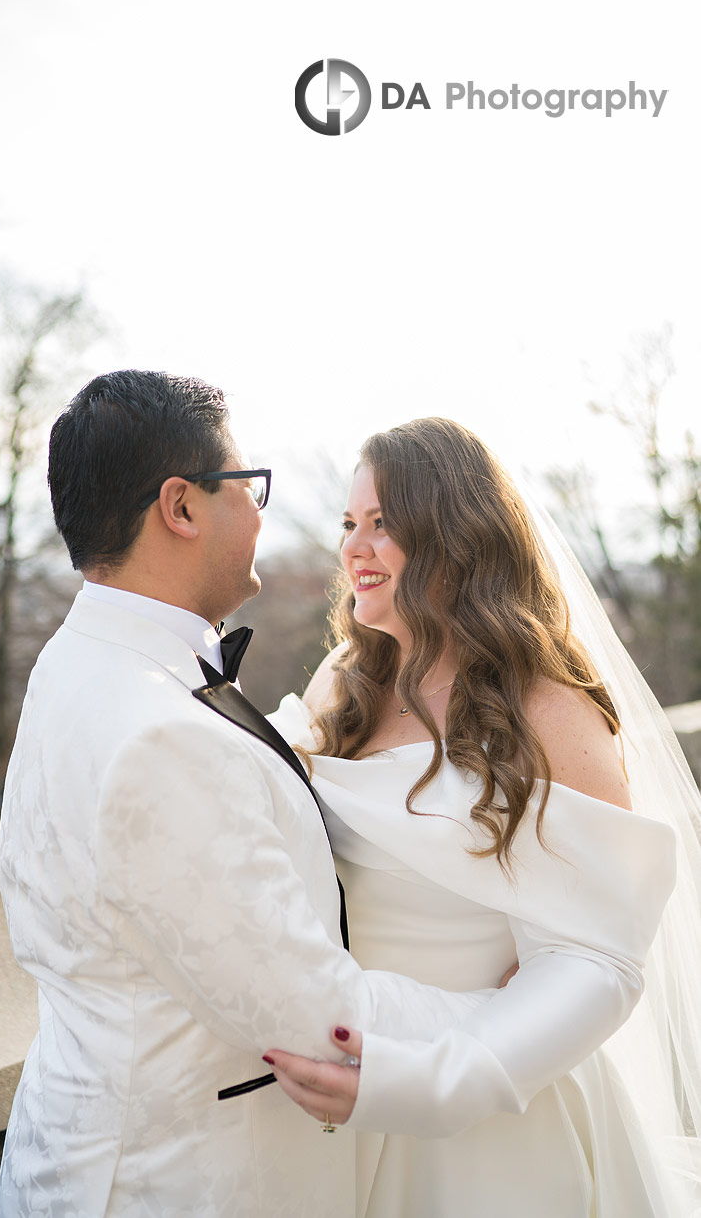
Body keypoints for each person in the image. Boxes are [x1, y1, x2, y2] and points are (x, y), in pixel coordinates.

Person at [0, 374, 542, 1218]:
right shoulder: (158, 736)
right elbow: (315, 1013)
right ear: (180, 507)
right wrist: (500, 1015)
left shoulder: (78, 664)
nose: (262, 514)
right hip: (177, 1182)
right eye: (247, 487)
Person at [265, 417, 701, 1217]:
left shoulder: (548, 706)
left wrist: (434, 1083)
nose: (354, 549)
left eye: (384, 524)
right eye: (348, 524)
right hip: (340, 1091)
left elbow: (596, 957)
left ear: (455, 538)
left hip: (488, 1111)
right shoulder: (344, 682)